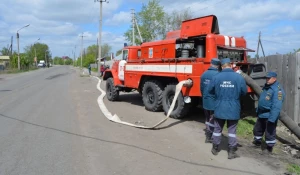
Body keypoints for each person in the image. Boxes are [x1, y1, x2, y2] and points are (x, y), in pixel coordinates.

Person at [208, 58, 247, 159]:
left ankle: (215, 148)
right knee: (232, 131)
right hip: (233, 108)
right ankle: (231, 152)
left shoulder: (216, 77)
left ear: (222, 66)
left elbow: (210, 90)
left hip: (219, 107)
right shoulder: (239, 78)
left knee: (217, 129)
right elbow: (244, 92)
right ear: (230, 65)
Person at [252, 71, 285, 155]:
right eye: (266, 78)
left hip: (269, 115)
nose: (267, 80)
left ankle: (269, 148)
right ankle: (257, 142)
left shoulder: (277, 90)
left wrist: (272, 118)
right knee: (257, 129)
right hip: (261, 114)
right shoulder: (266, 87)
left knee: (269, 132)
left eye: (269, 78)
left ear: (274, 79)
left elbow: (276, 106)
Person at [200, 58, 221, 143]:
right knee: (213, 118)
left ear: (211, 64)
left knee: (207, 117)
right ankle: (210, 135)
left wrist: (204, 96)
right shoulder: (218, 75)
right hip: (214, 101)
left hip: (205, 99)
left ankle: (208, 132)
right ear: (218, 65)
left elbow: (201, 88)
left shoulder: (204, 74)